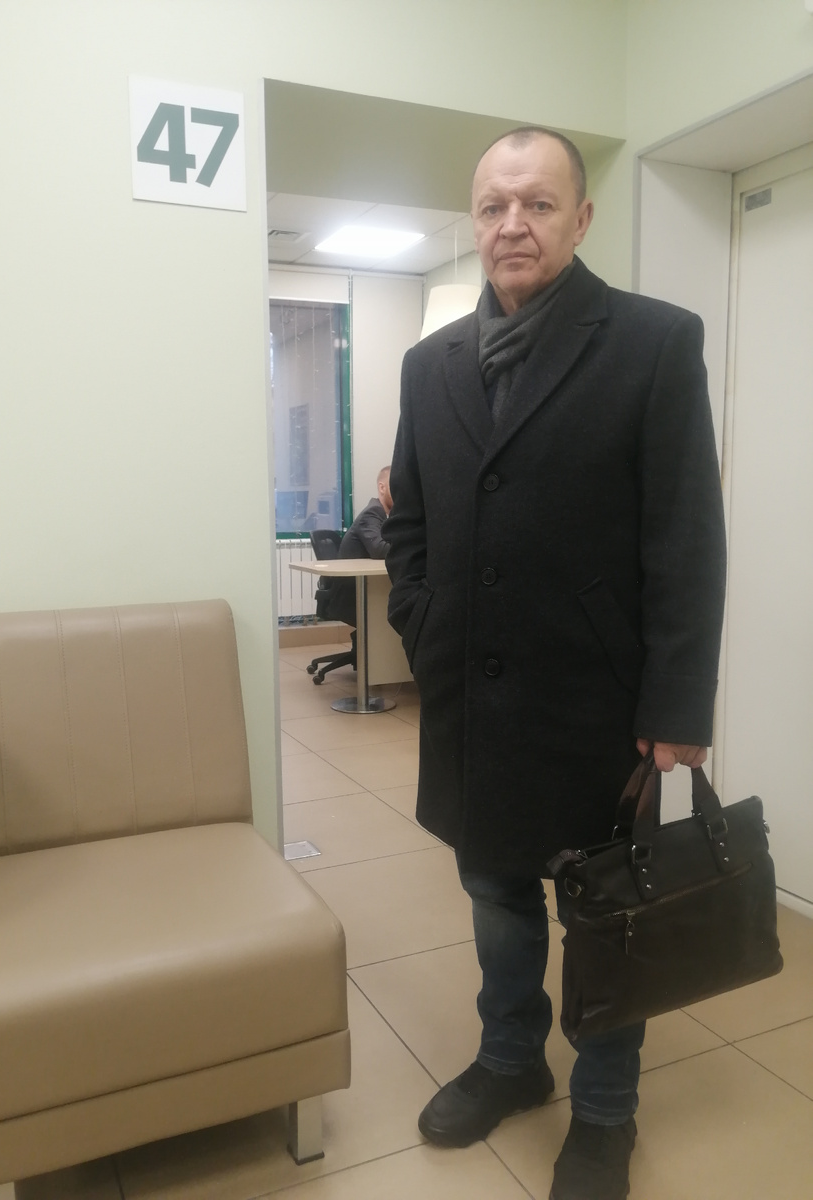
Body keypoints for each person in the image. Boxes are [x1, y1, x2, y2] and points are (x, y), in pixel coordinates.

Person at [382, 127, 726, 1200]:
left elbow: (686, 536)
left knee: (605, 909)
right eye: (493, 206)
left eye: (537, 204)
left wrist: (679, 702)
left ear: (581, 219)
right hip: (471, 697)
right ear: (474, 221)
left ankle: (607, 1111)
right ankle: (511, 1059)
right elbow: (410, 518)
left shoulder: (652, 343)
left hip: (597, 701)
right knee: (494, 891)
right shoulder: (429, 364)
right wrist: (421, 620)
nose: (513, 225)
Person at [322, 467, 393, 628]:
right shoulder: (373, 512)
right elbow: (379, 549)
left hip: (365, 588)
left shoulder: (386, 516)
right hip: (354, 593)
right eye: (395, 485)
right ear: (382, 487)